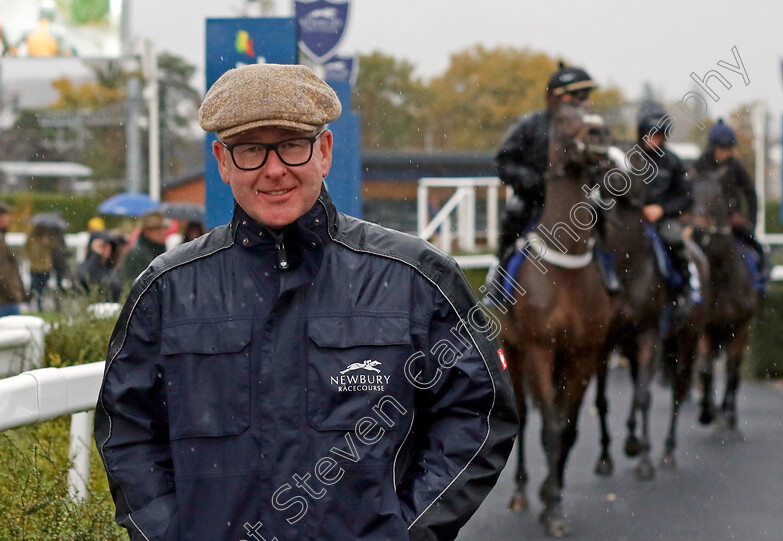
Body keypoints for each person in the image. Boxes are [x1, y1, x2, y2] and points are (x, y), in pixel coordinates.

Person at [95, 63, 518, 541]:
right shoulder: (165, 290)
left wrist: (408, 530)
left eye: (292, 145)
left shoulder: (416, 279)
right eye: (251, 150)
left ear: (324, 151)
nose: (274, 170)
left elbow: (478, 412)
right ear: (222, 160)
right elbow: (126, 431)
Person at [490, 62, 620, 295]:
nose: (583, 102)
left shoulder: (589, 127)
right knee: (512, 217)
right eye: (577, 96)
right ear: (557, 97)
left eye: (586, 96)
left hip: (576, 201)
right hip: (534, 200)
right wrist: (532, 181)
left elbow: (599, 164)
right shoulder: (531, 124)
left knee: (601, 216)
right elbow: (503, 162)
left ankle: (608, 275)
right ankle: (499, 280)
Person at [634, 103, 700, 316]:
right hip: (631, 219)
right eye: (649, 134)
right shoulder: (630, 159)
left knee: (673, 238)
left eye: (658, 135)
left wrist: (661, 209)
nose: (653, 139)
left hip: (663, 220)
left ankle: (684, 289)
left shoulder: (673, 162)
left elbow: (686, 196)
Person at [692, 118, 768, 289]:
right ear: (713, 148)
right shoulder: (700, 165)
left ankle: (760, 280)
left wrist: (750, 222)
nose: (726, 153)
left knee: (757, 247)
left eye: (729, 149)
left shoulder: (736, 167)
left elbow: (750, 194)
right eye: (723, 149)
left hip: (731, 218)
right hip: (705, 221)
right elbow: (691, 192)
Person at [118, 211, 170, 285]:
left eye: (164, 228)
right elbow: (132, 283)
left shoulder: (160, 249)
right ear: (147, 231)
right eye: (158, 229)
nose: (163, 232)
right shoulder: (137, 253)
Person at [0, 202, 26, 317]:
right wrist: (14, 294)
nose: (9, 220)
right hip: (5, 301)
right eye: (7, 216)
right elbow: (4, 272)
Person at [24, 224, 53, 312]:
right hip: (36, 268)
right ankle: (34, 304)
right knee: (35, 287)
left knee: (41, 287)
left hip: (45, 268)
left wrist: (47, 243)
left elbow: (52, 250)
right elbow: (29, 251)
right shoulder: (32, 241)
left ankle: (38, 303)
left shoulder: (47, 240)